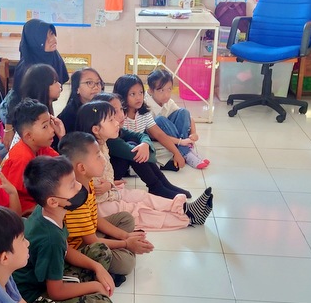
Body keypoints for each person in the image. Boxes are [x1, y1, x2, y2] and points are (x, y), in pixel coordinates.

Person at [12, 156, 116, 303]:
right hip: (35, 296)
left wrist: (97, 267)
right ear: (53, 201)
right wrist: (95, 286)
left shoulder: (47, 211)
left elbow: (65, 249)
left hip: (51, 274)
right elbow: (55, 291)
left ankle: (80, 285)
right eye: (72, 185)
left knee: (101, 251)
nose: (79, 187)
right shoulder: (50, 238)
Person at [76, 100, 213, 229]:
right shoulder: (89, 154)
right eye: (111, 120)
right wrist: (107, 185)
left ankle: (184, 208)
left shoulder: (102, 144)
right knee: (137, 210)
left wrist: (110, 184)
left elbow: (106, 176)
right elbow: (87, 188)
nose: (117, 122)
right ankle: (189, 218)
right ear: (96, 129)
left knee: (140, 196)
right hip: (99, 205)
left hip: (110, 193)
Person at [59, 132, 151, 282]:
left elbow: (95, 217)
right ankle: (114, 254)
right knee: (126, 264)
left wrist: (125, 236)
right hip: (80, 247)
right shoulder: (75, 200)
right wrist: (126, 243)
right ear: (81, 168)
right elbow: (92, 241)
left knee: (126, 218)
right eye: (98, 156)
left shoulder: (87, 181)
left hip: (90, 233)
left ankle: (117, 245)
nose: (103, 160)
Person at [94, 92, 191, 200]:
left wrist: (145, 144)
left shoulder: (118, 129)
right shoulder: (110, 138)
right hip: (108, 177)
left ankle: (163, 183)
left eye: (121, 109)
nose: (121, 115)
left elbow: (141, 135)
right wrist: (146, 149)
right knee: (134, 149)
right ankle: (156, 187)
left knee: (136, 145)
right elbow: (151, 157)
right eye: (114, 112)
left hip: (114, 171)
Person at [0, 19, 70, 148]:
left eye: (52, 34)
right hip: (14, 110)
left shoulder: (53, 56)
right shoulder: (26, 68)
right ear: (35, 41)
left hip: (37, 106)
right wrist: (8, 130)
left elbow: (46, 97)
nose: (52, 39)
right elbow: (15, 99)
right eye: (45, 37)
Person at [114, 74, 194, 173]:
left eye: (141, 92)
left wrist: (177, 153)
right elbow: (116, 143)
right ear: (122, 96)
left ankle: (150, 164)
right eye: (133, 94)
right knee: (133, 148)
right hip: (123, 150)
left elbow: (159, 134)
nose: (138, 97)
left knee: (164, 148)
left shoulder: (144, 112)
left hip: (141, 146)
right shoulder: (118, 115)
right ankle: (152, 166)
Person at [1, 99, 64, 215]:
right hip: (18, 208)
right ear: (28, 136)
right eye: (45, 126)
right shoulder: (22, 158)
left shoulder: (40, 146)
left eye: (50, 123)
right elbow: (13, 195)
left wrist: (62, 138)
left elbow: (62, 165)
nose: (52, 130)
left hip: (34, 199)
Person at [146, 69, 210, 170]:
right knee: (160, 120)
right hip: (156, 137)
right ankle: (186, 152)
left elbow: (189, 118)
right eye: (161, 90)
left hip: (171, 137)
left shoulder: (167, 101)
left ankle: (185, 150)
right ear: (150, 90)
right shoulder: (146, 105)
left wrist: (193, 133)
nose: (166, 94)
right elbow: (155, 134)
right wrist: (180, 142)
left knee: (184, 112)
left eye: (169, 89)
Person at [58, 67, 105, 133]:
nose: (96, 87)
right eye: (89, 83)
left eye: (98, 82)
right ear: (77, 89)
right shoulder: (71, 114)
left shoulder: (100, 106)